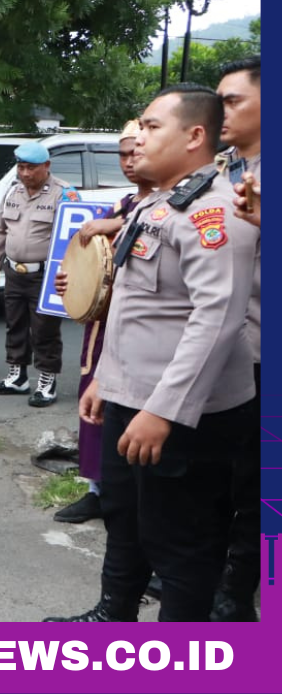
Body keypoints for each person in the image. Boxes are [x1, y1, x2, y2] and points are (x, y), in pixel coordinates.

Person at [46, 83, 259, 623]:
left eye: (151, 127)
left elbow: (217, 319)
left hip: (182, 416)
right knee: (126, 519)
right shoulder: (156, 205)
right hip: (131, 399)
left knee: (182, 545)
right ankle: (113, 617)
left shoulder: (215, 214)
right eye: (139, 127)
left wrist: (164, 411)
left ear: (194, 136)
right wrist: (106, 378)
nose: (137, 139)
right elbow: (133, 306)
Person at [51, 120, 153, 525]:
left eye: (135, 152)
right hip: (103, 327)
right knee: (93, 404)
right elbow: (93, 266)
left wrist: (117, 225)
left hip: (143, 332)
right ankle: (97, 489)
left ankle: (131, 499)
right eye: (123, 155)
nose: (129, 161)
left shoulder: (171, 203)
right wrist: (70, 284)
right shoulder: (122, 203)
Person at [211, 54, 261, 622]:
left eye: (232, 101)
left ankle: (237, 593)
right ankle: (215, 573)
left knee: (255, 479)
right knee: (221, 472)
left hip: (262, 350)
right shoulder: (223, 169)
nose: (220, 111)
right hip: (223, 346)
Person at [0, 142, 79, 406]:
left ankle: (47, 381)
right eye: (21, 167)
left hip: (46, 275)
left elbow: (73, 238)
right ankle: (17, 376)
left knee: (44, 329)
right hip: (14, 271)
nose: (25, 173)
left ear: (46, 166)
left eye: (31, 168)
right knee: (14, 324)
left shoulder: (64, 194)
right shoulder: (13, 191)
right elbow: (0, 230)